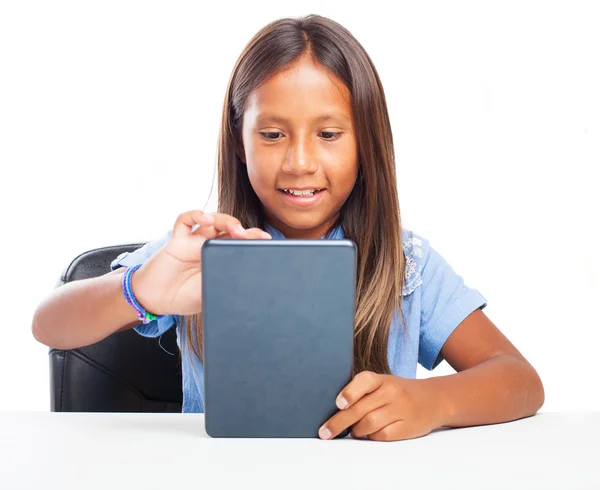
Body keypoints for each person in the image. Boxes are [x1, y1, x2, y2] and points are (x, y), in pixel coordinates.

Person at [32, 14, 544, 441]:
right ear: (239, 141)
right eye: (273, 134)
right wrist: (142, 289)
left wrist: (434, 402)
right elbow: (48, 325)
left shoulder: (405, 265)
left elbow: (521, 380)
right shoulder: (206, 251)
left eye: (328, 134)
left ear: (365, 143)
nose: (300, 162)